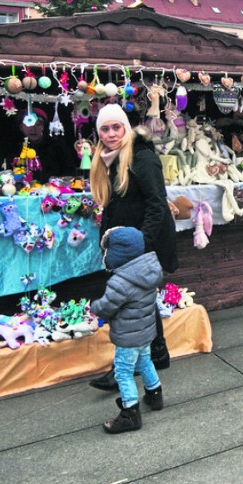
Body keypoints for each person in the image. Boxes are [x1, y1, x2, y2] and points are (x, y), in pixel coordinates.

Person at [89, 104, 178, 391]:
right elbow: (117, 204)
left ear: (126, 128)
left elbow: (157, 204)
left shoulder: (142, 158)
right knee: (141, 301)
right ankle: (158, 353)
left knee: (130, 305)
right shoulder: (110, 159)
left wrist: (142, 243)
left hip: (140, 244)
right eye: (105, 128)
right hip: (126, 244)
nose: (111, 133)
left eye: (117, 127)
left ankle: (124, 368)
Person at [92, 226, 164, 434]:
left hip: (128, 336)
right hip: (145, 331)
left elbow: (107, 306)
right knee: (145, 361)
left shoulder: (120, 281)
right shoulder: (148, 270)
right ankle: (154, 394)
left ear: (117, 254)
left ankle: (130, 413)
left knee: (123, 372)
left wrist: (94, 307)